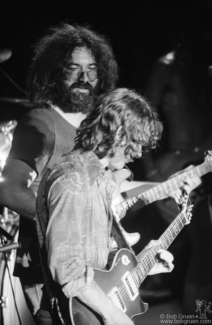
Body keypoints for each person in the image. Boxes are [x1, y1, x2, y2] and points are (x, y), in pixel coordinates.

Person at [0, 23, 118, 324]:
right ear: (55, 73)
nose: (85, 78)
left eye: (92, 69)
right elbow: (9, 189)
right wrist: (67, 224)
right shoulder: (41, 123)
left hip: (90, 268)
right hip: (48, 272)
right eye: (73, 69)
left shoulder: (93, 125)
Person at [36, 88, 176, 325]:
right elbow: (68, 269)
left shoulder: (97, 178)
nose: (139, 152)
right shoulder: (73, 180)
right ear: (117, 132)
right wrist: (114, 315)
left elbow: (97, 266)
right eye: (135, 142)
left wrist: (141, 266)